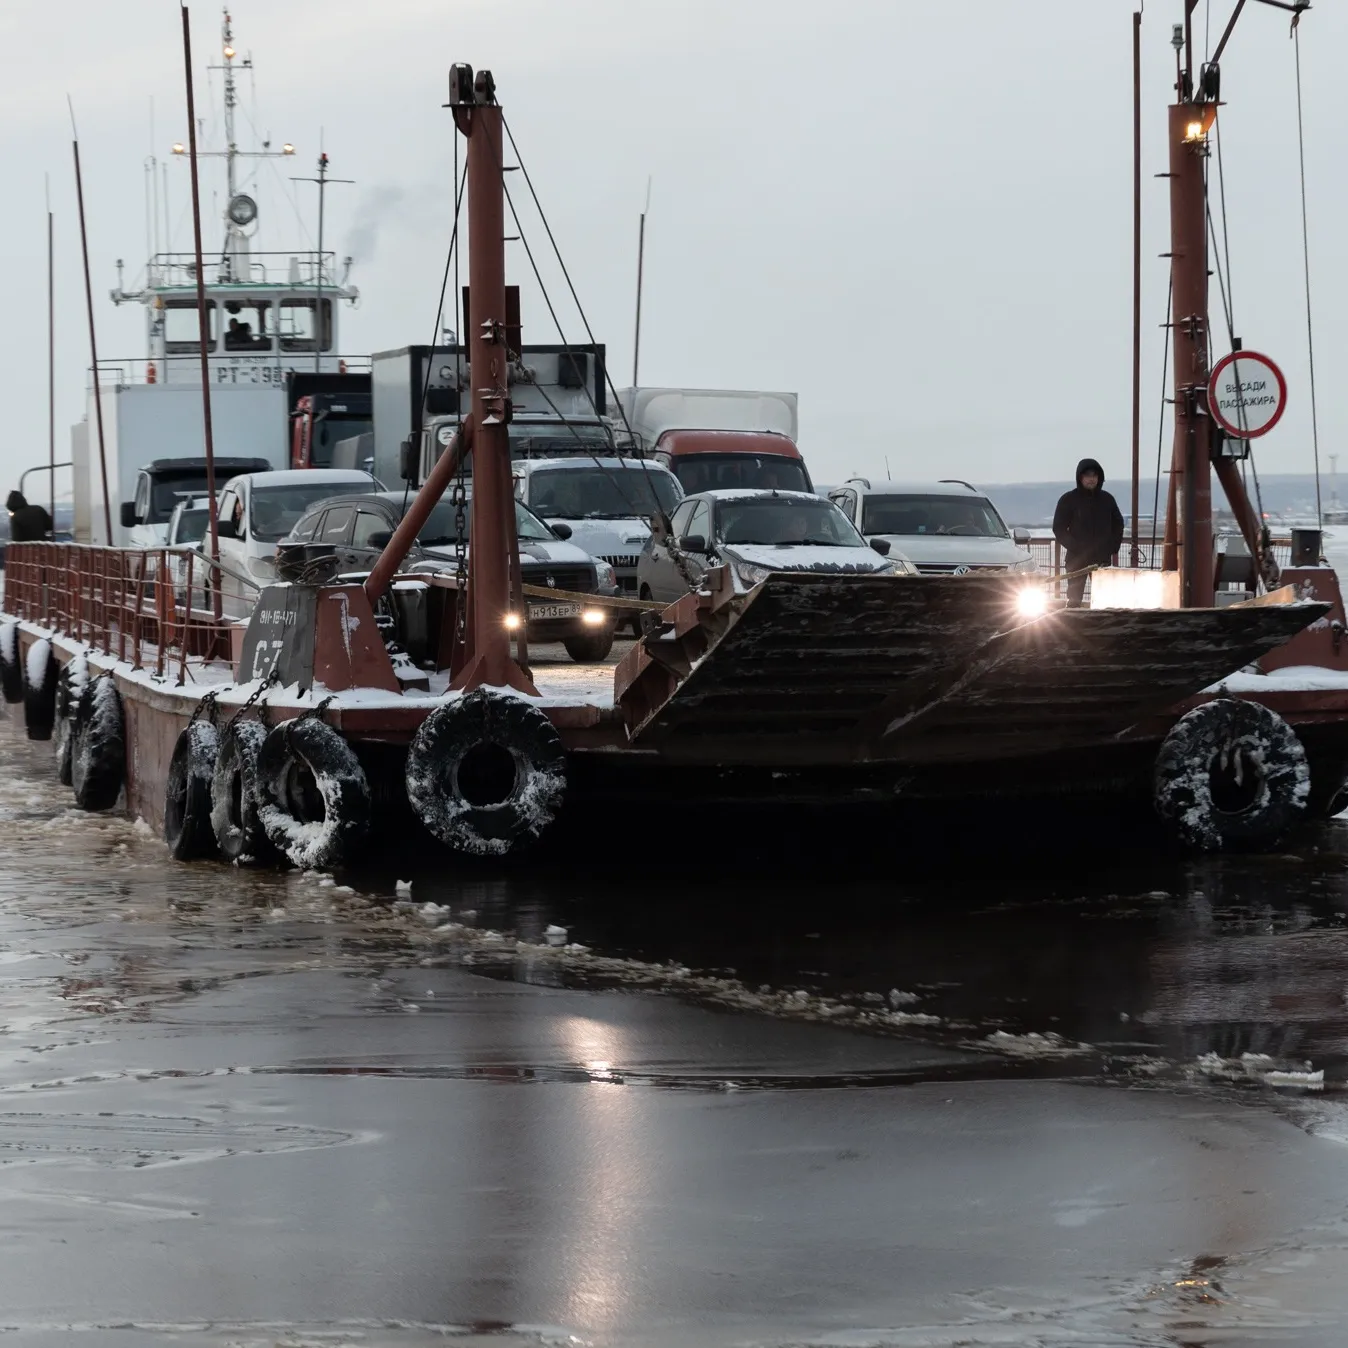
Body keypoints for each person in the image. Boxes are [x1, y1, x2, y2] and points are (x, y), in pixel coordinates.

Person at [1052, 458, 1124, 607]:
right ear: (1080, 477)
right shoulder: (1068, 500)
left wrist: (1112, 546)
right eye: (1087, 476)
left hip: (1101, 559)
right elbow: (1058, 528)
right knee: (1074, 600)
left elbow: (1118, 524)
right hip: (1076, 559)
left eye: (1094, 476)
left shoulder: (1107, 500)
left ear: (1099, 478)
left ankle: (1104, 628)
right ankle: (1073, 627)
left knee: (1105, 600)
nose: (1091, 479)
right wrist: (1075, 546)